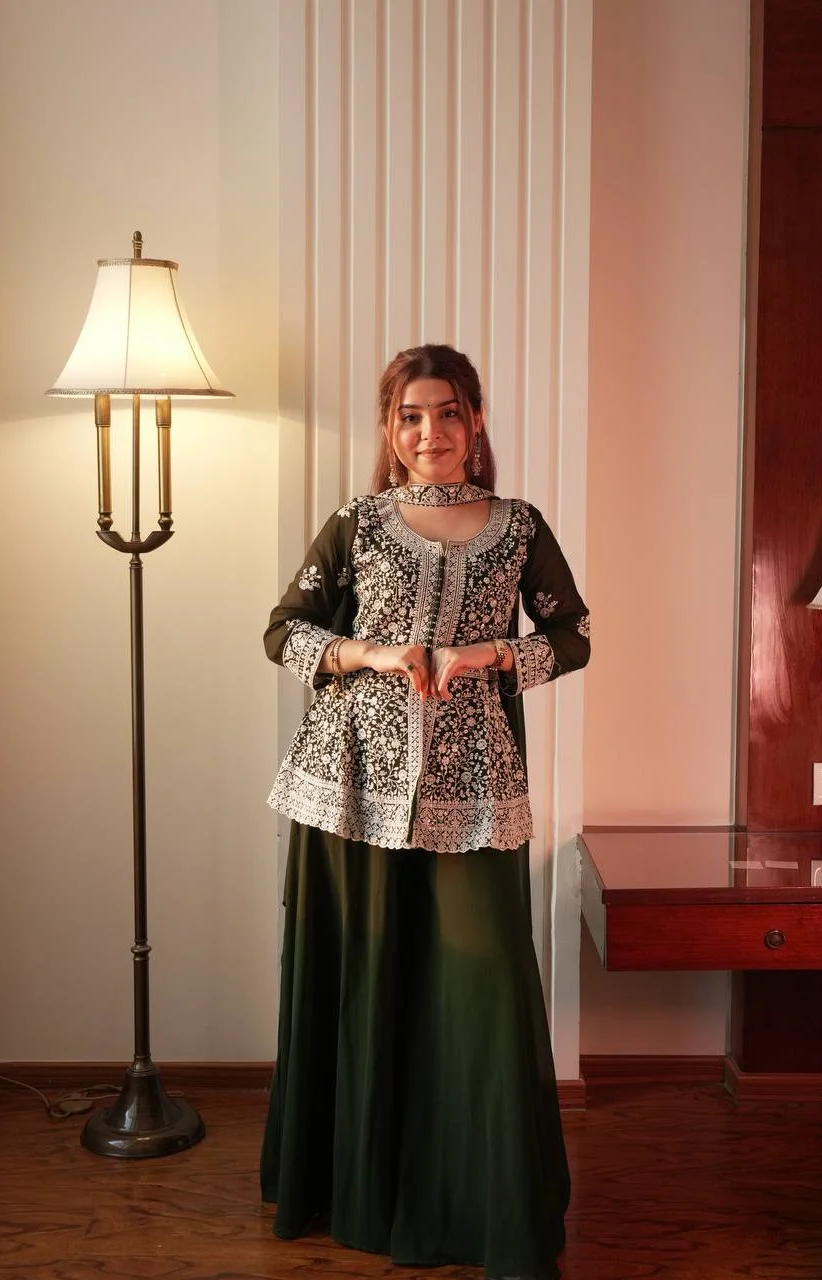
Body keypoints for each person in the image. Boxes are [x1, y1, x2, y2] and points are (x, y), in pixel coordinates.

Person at [259, 343, 590, 1280]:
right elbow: (283, 631)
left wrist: (490, 655)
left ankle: (484, 1203)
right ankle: (356, 1191)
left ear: (474, 420)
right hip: (348, 786)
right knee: (366, 973)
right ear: (389, 427)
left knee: (479, 984)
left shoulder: (519, 527)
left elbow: (572, 635)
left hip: (471, 789)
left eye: (447, 412)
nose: (429, 432)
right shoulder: (356, 523)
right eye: (409, 416)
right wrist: (370, 653)